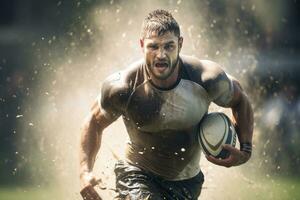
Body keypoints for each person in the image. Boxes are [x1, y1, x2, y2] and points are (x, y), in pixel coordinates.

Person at [79, 9, 254, 200]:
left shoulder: (207, 78)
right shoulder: (123, 88)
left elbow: (240, 100)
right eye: (153, 47)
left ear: (180, 44)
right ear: (141, 45)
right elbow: (93, 122)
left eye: (169, 46)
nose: (161, 55)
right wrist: (84, 172)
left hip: (188, 181)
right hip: (136, 174)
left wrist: (245, 151)